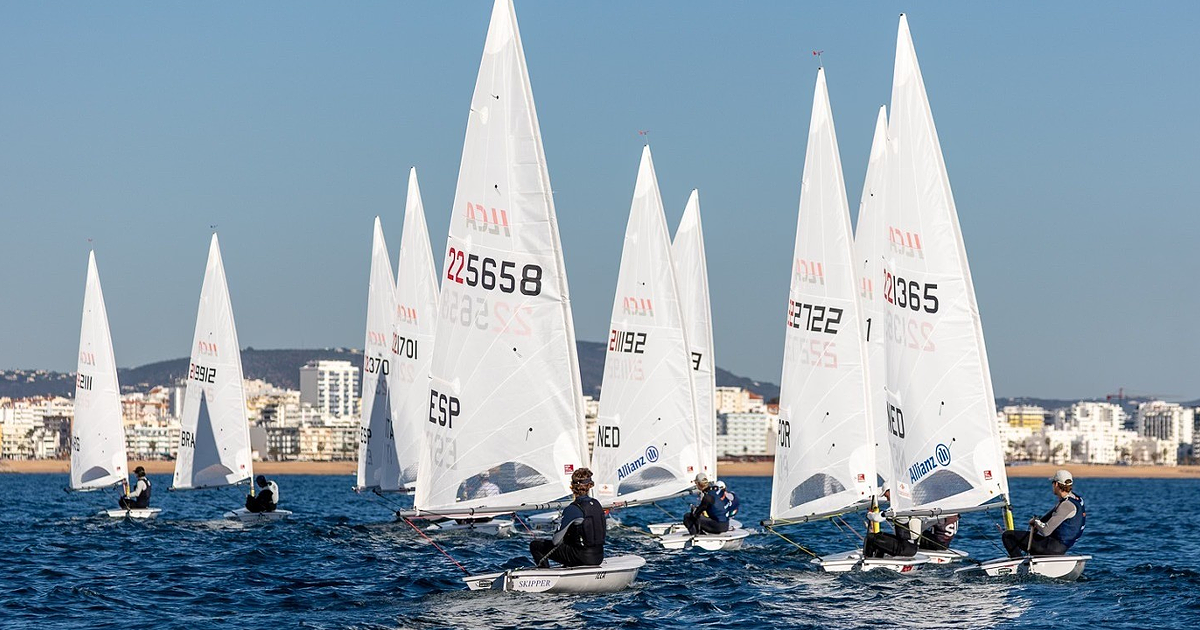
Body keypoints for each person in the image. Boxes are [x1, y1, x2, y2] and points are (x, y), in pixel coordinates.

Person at [529, 468, 605, 568]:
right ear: (589, 485)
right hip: (598, 557)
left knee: (535, 545)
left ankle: (544, 572)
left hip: (581, 558)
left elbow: (556, 541)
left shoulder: (573, 508)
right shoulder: (597, 504)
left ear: (572, 486)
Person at [1003, 469, 1086, 558]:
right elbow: (1051, 514)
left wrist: (1035, 522)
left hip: (1052, 548)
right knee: (1030, 537)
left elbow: (1046, 531)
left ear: (1056, 484)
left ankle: (1019, 564)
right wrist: (1037, 523)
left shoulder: (1066, 505)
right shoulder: (1076, 499)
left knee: (1008, 536)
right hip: (1060, 547)